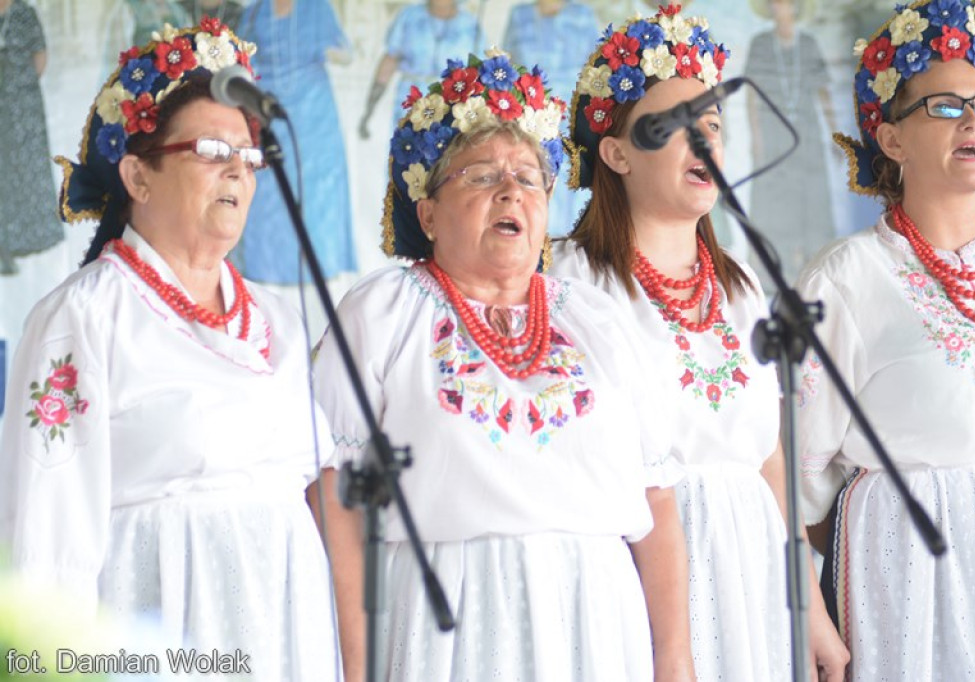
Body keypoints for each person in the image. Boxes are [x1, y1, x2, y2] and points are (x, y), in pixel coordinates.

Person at [311, 52, 694, 681]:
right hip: (443, 627)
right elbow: (334, 500)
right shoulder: (379, 314)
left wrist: (674, 656)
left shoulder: (598, 319)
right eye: (482, 176)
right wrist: (354, 663)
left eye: (528, 175)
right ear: (428, 213)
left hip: (592, 624)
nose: (512, 189)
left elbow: (657, 500)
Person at [0, 21, 340, 680]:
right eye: (213, 148)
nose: (239, 169)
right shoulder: (85, 317)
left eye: (250, 153)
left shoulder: (279, 320)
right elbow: (46, 543)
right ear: (138, 175)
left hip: (287, 636)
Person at [551, 6, 848, 680]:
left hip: (752, 571)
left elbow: (771, 461)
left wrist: (814, 614)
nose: (703, 141)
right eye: (675, 126)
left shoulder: (741, 288)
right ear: (616, 152)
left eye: (711, 125)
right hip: (635, 568)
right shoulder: (568, 281)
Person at [797, 1, 975, 679]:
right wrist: (815, 618)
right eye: (946, 107)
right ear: (890, 140)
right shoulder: (847, 279)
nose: (974, 120)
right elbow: (793, 474)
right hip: (907, 570)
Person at [234, 0, 357, 288]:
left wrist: (328, 52)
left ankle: (321, 267)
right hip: (267, 105)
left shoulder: (316, 7)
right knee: (267, 188)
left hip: (314, 112)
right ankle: (264, 271)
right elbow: (239, 58)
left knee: (316, 189)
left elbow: (345, 52)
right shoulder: (254, 11)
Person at [744, 0, 838, 286]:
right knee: (772, 199)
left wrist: (834, 134)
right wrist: (756, 140)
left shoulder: (808, 43)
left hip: (807, 134)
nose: (778, 6)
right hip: (774, 134)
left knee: (811, 197)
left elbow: (824, 92)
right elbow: (751, 95)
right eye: (773, 2)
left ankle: (812, 268)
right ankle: (771, 270)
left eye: (784, 2)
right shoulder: (760, 43)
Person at [502, 0, 599, 237]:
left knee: (571, 174)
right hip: (531, 114)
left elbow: (597, 70)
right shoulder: (519, 15)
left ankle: (569, 240)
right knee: (533, 170)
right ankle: (533, 238)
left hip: (574, 112)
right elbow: (507, 68)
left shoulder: (583, 14)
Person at [358, 0, 483, 137]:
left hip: (453, 105)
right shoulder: (409, 16)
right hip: (412, 101)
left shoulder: (470, 25)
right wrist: (368, 111)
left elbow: (479, 71)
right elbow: (390, 60)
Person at [0, 0, 62, 275]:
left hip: (22, 108)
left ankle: (24, 239)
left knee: (24, 170)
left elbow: (40, 56)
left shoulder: (24, 13)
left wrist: (19, 87)